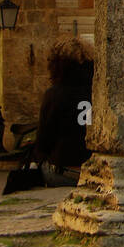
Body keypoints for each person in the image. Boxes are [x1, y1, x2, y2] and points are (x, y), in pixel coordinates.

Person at [34, 37, 93, 187]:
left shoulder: (54, 95)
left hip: (65, 170)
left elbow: (43, 140)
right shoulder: (97, 93)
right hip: (92, 169)